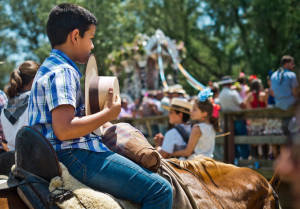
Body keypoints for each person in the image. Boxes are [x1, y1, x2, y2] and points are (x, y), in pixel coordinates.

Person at [28, 3, 172, 209]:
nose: (92, 46)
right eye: (91, 38)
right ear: (75, 36)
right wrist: (108, 114)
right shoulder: (64, 71)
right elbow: (64, 130)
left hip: (55, 153)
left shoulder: (47, 67)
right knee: (160, 190)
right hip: (73, 153)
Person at [170, 88, 221, 159]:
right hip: (209, 160)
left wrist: (171, 153)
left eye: (194, 110)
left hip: (197, 161)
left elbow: (187, 152)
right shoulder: (211, 126)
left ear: (204, 114)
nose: (191, 111)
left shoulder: (197, 128)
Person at [1, 61, 39, 151]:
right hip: (34, 159)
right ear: (34, 79)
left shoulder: (5, 107)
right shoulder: (36, 101)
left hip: (12, 160)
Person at [218, 75, 249, 160]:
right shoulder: (233, 93)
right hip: (238, 118)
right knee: (243, 139)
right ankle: (245, 159)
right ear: (229, 83)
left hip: (227, 121)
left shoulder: (221, 94)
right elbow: (242, 105)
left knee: (232, 141)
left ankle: (236, 159)